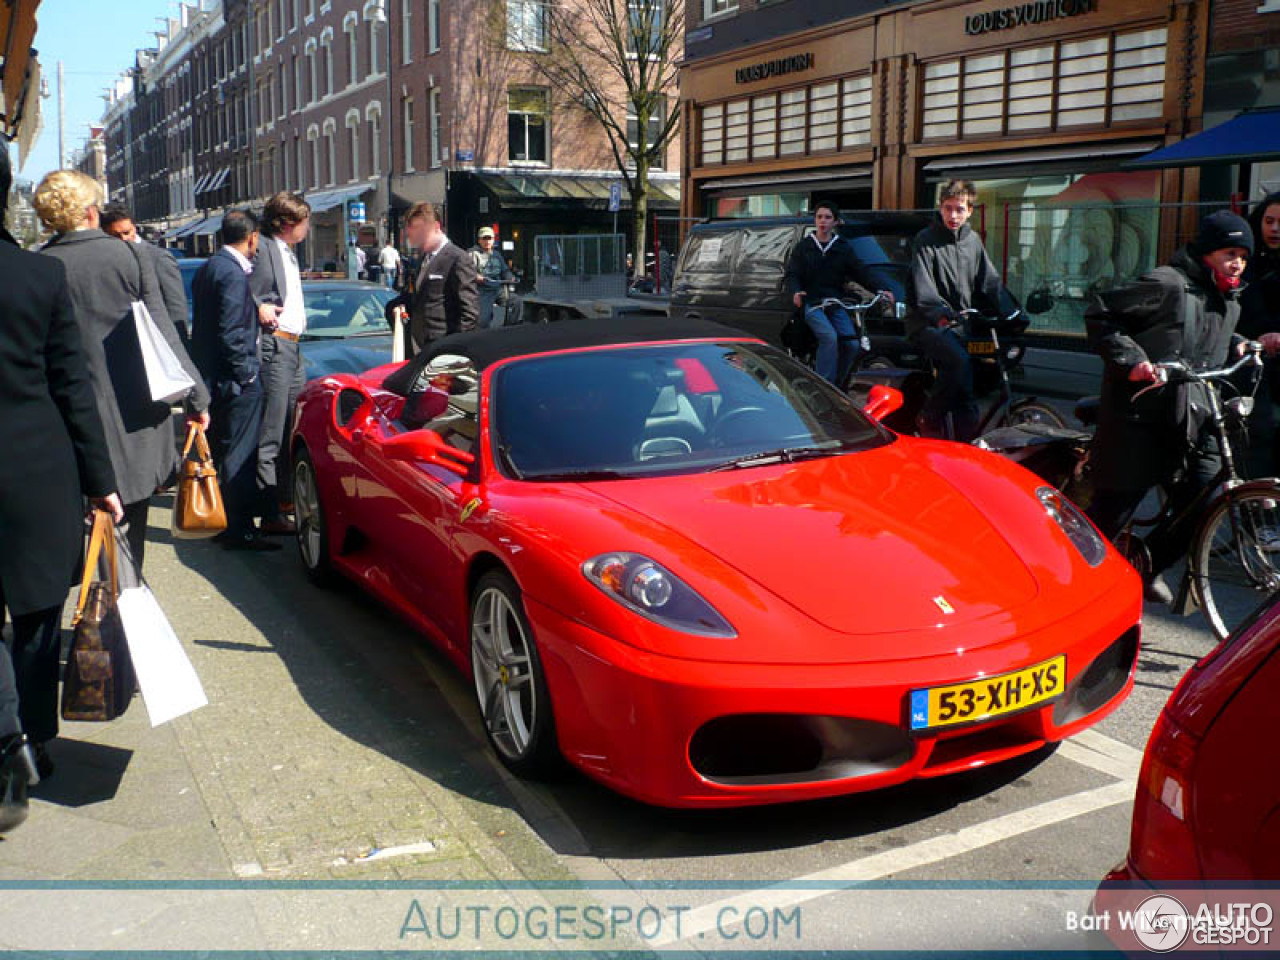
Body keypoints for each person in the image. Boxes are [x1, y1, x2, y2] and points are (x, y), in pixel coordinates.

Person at [1, 149, 124, 788]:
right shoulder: (38, 278)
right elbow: (71, 388)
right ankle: (30, 744)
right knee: (36, 612)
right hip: (33, 467)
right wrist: (102, 482)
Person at [34, 169, 209, 575]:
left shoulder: (41, 265)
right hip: (134, 416)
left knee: (83, 527)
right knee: (131, 531)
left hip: (67, 419)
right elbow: (164, 331)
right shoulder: (129, 255)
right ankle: (124, 614)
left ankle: (91, 615)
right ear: (91, 211)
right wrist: (197, 398)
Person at [1086, 211, 1265, 604]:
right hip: (1140, 415)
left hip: (1190, 416)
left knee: (1208, 498)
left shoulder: (1228, 297)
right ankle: (1076, 591)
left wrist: (1237, 341)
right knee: (1112, 514)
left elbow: (1198, 332)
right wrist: (1132, 362)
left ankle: (1144, 565)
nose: (1237, 262)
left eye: (1243, 255)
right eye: (1228, 252)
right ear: (1206, 252)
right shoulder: (1167, 283)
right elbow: (1102, 313)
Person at [190, 210, 279, 552]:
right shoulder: (232, 274)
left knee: (224, 449)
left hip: (214, 378)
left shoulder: (209, 268)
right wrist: (247, 372)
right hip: (236, 380)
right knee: (241, 454)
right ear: (252, 237)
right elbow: (231, 331)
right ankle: (239, 528)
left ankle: (226, 521)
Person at [907, 179, 1020, 441]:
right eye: (948, 208)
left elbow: (989, 281)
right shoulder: (925, 240)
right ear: (940, 208)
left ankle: (964, 445)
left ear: (970, 210)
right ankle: (929, 416)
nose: (953, 215)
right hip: (926, 323)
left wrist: (1012, 311)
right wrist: (939, 315)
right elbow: (923, 288)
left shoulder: (973, 241)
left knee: (966, 391)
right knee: (959, 361)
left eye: (959, 209)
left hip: (960, 323)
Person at [249, 192, 311, 536]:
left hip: (293, 348)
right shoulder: (265, 250)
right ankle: (269, 510)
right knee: (272, 433)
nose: (307, 229)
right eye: (304, 222)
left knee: (291, 426)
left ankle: (285, 502)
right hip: (276, 349)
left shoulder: (286, 252)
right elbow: (247, 290)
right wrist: (258, 306)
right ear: (288, 224)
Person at [784, 201, 893, 387]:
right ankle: (823, 385)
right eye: (819, 217)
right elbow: (793, 273)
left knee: (851, 343)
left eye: (827, 218)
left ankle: (839, 384)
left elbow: (861, 271)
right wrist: (796, 291)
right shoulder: (804, 246)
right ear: (815, 220)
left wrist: (882, 289)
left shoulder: (842, 247)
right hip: (813, 303)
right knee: (829, 337)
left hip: (835, 303)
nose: (823, 221)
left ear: (835, 222)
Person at [393, 202, 478, 355]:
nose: (411, 234)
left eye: (418, 228)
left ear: (436, 227)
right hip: (419, 348)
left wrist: (453, 352)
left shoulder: (457, 258)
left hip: (443, 349)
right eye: (411, 228)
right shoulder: (423, 259)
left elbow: (469, 313)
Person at [100, 204, 191, 343]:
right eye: (116, 236)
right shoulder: (107, 262)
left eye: (126, 232)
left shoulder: (158, 258)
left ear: (134, 228)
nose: (123, 239)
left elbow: (176, 307)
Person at [1237, 193, 1280, 475]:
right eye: (1269, 221)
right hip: (1255, 364)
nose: (1275, 228)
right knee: (1262, 431)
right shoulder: (1247, 263)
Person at [470, 226, 514, 329]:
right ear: (479, 240)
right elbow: (468, 272)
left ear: (493, 240)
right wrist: (477, 277)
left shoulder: (497, 255)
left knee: (515, 301)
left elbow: (505, 270)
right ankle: (482, 332)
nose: (487, 241)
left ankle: (509, 327)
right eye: (484, 238)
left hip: (498, 288)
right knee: (483, 320)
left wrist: (510, 276)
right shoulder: (473, 254)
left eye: (489, 238)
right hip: (484, 290)